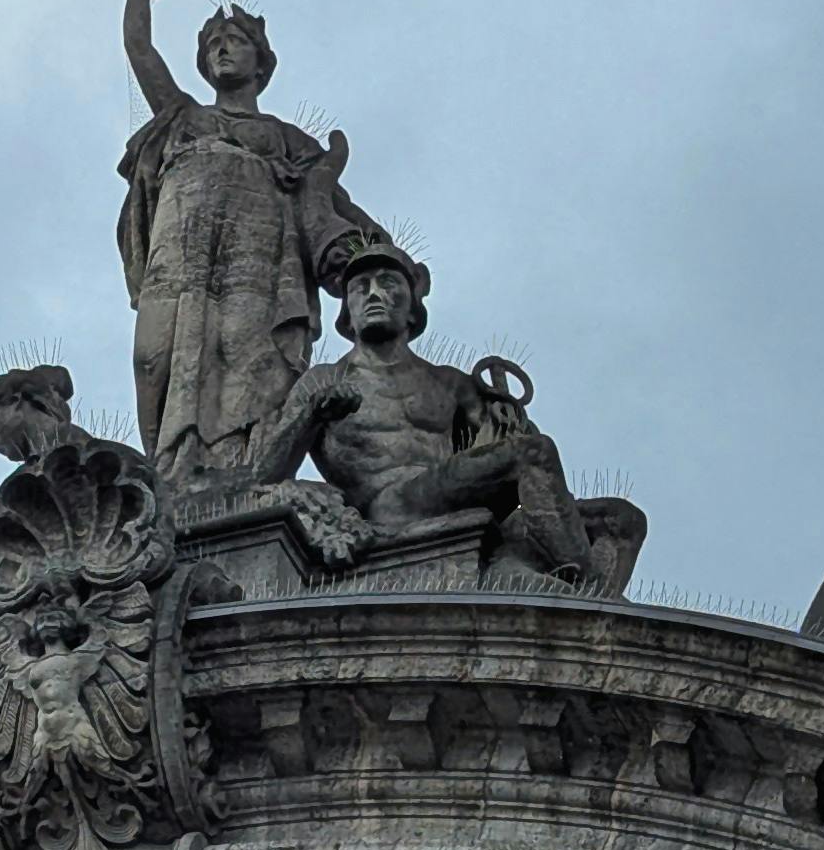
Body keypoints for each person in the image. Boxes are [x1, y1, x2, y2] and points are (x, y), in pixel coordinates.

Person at [116, 0, 359, 479]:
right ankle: (170, 471)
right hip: (179, 259)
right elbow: (138, 47)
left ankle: (239, 475)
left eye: (235, 41)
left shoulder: (283, 139)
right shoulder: (181, 116)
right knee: (156, 358)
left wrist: (384, 257)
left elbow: (335, 208)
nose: (222, 49)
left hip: (257, 265)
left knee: (246, 360)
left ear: (261, 61)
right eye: (213, 43)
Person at [256, 228, 644, 593]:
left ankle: (544, 581)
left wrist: (507, 419)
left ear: (412, 308)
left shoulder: (448, 382)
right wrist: (313, 414)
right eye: (360, 287)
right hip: (389, 504)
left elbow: (509, 447)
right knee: (534, 453)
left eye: (388, 283)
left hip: (450, 492)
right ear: (347, 314)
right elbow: (266, 474)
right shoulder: (322, 379)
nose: (374, 294)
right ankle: (594, 594)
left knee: (623, 520)